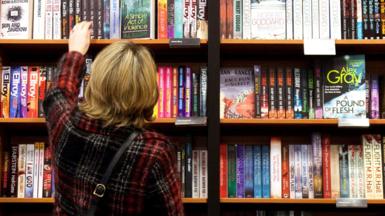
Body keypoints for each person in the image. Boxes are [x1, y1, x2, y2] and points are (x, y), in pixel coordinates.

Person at [43, 21, 184, 216]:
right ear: (148, 90)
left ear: (97, 81)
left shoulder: (67, 124)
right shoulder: (154, 153)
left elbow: (57, 93)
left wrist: (76, 52)